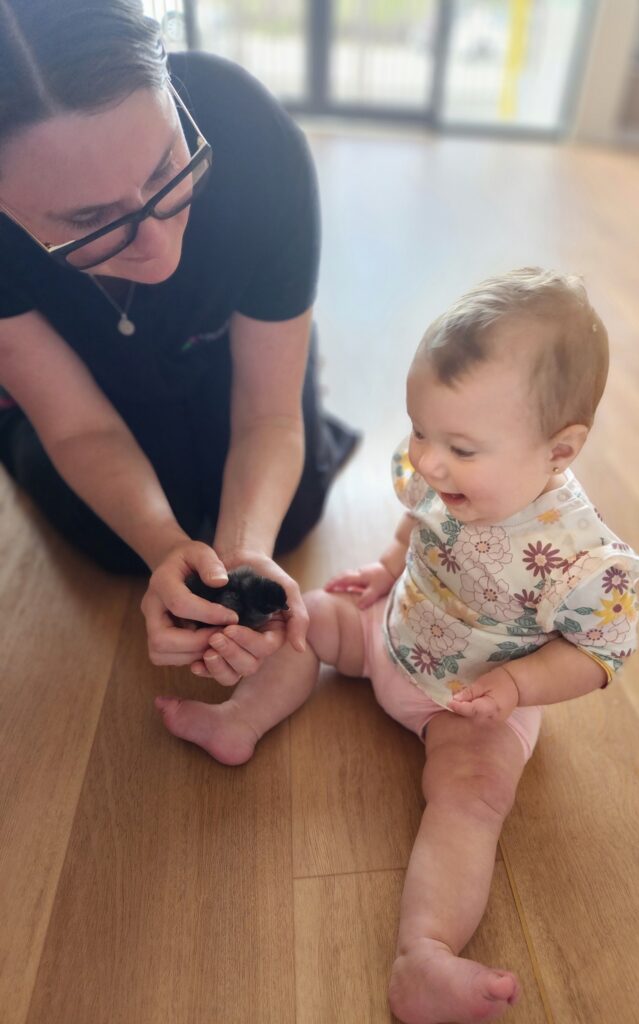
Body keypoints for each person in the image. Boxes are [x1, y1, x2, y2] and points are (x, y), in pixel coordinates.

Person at [155, 268, 639, 1022]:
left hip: (472, 701)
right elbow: (418, 518)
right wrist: (388, 567)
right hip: (391, 628)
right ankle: (239, 720)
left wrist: (518, 688)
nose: (430, 460)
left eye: (461, 448)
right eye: (421, 429)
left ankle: (425, 952)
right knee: (303, 617)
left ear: (561, 450)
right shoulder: (438, 468)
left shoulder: (581, 560)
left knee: (471, 797)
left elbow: (599, 655)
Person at [0, 0, 357, 677]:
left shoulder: (251, 132)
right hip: (74, 380)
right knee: (114, 541)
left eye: (168, 166)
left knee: (289, 512)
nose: (158, 246)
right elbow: (79, 428)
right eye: (89, 220)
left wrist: (245, 554)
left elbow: (270, 414)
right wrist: (161, 545)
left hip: (226, 347)